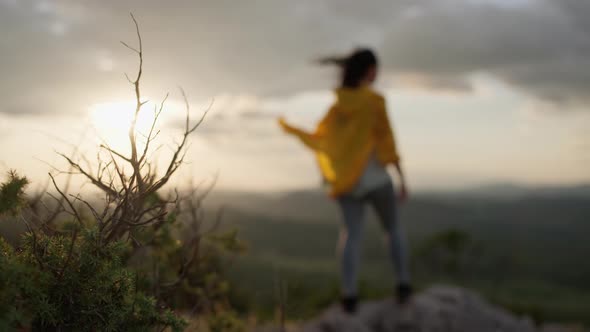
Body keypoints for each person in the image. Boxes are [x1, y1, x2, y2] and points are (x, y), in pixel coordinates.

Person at [277, 48, 412, 314]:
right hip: (377, 180)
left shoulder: (337, 108)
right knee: (392, 230)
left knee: (351, 235)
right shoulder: (374, 101)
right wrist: (401, 176)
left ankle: (348, 295)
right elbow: (387, 140)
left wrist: (330, 174)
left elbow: (324, 140)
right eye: (376, 69)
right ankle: (403, 285)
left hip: (347, 185)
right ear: (369, 70)